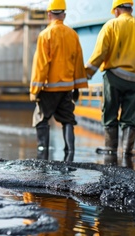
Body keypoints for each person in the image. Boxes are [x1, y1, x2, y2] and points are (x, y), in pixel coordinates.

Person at [86, 0, 135, 157]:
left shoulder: (111, 26)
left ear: (116, 10)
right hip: (134, 81)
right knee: (131, 114)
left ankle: (111, 148)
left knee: (110, 111)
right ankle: (127, 150)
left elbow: (99, 53)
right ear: (130, 9)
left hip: (113, 77)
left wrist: (85, 75)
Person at [30, 0, 88, 161]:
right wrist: (77, 87)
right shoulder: (73, 34)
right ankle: (70, 152)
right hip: (67, 88)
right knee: (68, 120)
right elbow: (78, 62)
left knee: (41, 119)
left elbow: (41, 65)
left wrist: (35, 90)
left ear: (49, 15)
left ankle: (43, 152)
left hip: (48, 89)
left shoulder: (45, 35)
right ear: (64, 14)